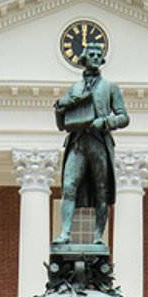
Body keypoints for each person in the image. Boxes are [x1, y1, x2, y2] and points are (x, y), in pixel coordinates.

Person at [51, 42, 129, 245]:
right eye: (91, 54)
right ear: (84, 59)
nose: (95, 57)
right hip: (78, 142)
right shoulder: (75, 88)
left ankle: (97, 237)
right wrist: (60, 107)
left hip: (98, 142)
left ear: (102, 60)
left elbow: (123, 117)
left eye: (98, 54)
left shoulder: (110, 87)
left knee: (101, 190)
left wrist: (104, 122)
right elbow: (62, 124)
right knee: (68, 186)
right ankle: (65, 233)